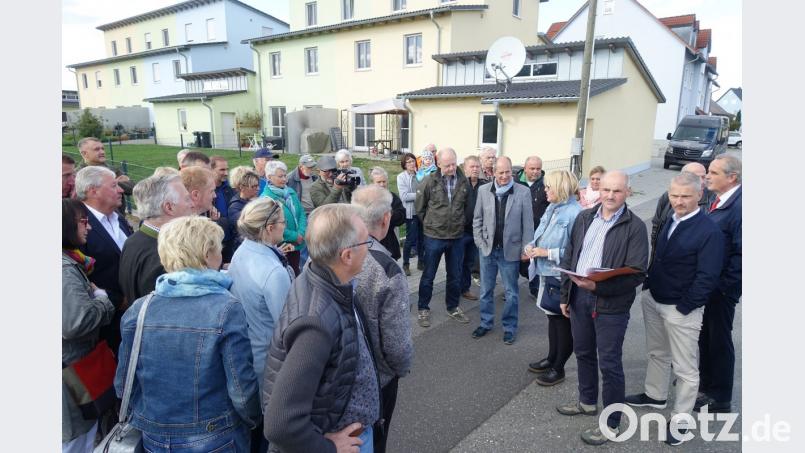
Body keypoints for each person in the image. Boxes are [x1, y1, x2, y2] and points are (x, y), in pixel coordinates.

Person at [115, 216, 260, 452]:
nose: (222, 255)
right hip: (214, 434)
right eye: (220, 248)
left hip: (155, 435)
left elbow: (124, 385)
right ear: (206, 253)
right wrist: (253, 421)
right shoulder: (226, 308)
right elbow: (241, 389)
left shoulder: (139, 309)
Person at [263, 204, 379, 453]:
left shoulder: (321, 276)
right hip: (342, 442)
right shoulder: (316, 324)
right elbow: (280, 425)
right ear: (347, 256)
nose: (368, 251)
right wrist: (327, 447)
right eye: (365, 243)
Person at [626, 171, 725, 446]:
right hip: (654, 299)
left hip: (681, 309)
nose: (678, 201)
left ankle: (681, 420)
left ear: (700, 196)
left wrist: (685, 307)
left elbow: (707, 277)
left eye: (685, 197)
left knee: (685, 369)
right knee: (657, 353)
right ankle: (655, 396)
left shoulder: (709, 231)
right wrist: (648, 288)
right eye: (674, 195)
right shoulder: (672, 218)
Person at [555, 170, 648, 446]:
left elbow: (637, 274)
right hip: (579, 299)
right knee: (583, 353)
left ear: (627, 192)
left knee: (609, 364)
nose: (610, 195)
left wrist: (600, 288)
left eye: (617, 191)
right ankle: (586, 402)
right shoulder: (585, 217)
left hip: (611, 304)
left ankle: (612, 423)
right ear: (598, 190)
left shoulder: (635, 227)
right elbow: (571, 256)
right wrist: (565, 294)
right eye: (606, 190)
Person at [228, 198, 295, 452]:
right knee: (270, 432)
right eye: (282, 223)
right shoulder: (272, 271)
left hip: (248, 353)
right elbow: (287, 325)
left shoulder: (243, 251)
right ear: (268, 228)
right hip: (269, 362)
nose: (284, 227)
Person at [351, 185, 414, 453]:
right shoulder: (387, 270)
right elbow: (397, 344)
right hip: (379, 378)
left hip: (340, 374)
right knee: (375, 441)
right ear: (386, 218)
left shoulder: (333, 253)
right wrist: (400, 368)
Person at [62, 198, 115, 453]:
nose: (89, 227)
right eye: (83, 222)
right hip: (71, 381)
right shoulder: (63, 268)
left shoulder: (72, 261)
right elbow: (75, 323)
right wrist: (103, 301)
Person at [524, 170, 583, 386]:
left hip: (560, 276)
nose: (545, 190)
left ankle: (559, 368)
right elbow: (541, 234)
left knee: (562, 322)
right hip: (546, 272)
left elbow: (575, 252)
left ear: (560, 188)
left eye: (548, 187)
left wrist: (545, 253)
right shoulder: (553, 207)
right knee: (552, 317)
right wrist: (532, 246)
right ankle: (551, 358)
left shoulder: (575, 213)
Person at [695, 154, 742, 414]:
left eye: (713, 173)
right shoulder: (718, 200)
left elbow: (742, 253)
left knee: (719, 340)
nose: (707, 177)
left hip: (721, 289)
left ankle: (720, 397)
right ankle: (706, 387)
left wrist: (723, 287)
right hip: (709, 286)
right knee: (706, 338)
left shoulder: (740, 206)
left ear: (731, 177)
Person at [471, 156, 534, 345]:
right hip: (488, 250)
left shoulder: (523, 192)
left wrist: (526, 248)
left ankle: (509, 327)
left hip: (511, 251)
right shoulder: (483, 190)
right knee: (485, 291)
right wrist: (480, 243)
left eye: (508, 172)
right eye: (501, 172)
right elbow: (477, 219)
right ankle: (486, 322)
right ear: (493, 172)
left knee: (512, 293)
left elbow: (528, 224)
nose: (505, 176)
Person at [76, 166, 133, 353]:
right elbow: (79, 278)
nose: (121, 190)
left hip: (131, 313)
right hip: (106, 325)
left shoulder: (119, 219)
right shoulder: (77, 225)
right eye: (114, 185)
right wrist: (117, 300)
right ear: (94, 191)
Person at [415, 147, 471, 327]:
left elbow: (467, 208)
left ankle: (453, 306)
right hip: (434, 236)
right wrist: (432, 224)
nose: (452, 168)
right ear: (438, 164)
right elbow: (420, 208)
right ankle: (423, 308)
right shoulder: (428, 182)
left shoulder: (464, 182)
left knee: (455, 275)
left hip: (456, 237)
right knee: (428, 275)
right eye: (447, 165)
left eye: (454, 164)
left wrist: (460, 224)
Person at [118, 174, 195, 305]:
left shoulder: (133, 240)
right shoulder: (165, 257)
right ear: (169, 207)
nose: (193, 204)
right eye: (187, 199)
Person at [650, 162, 714, 265]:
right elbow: (657, 226)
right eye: (696, 178)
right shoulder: (667, 197)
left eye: (703, 176)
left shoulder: (713, 201)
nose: (702, 182)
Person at [261, 160, 307, 275]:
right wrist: (295, 236)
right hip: (282, 246)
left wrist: (301, 232)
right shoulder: (266, 199)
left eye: (285, 175)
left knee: (295, 271)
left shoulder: (290, 192)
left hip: (296, 245)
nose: (285, 179)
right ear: (269, 177)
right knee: (285, 275)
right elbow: (271, 225)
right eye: (280, 176)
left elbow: (301, 212)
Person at [516, 155, 550, 298]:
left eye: (538, 169)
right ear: (525, 168)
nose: (536, 172)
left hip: (537, 231)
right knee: (515, 261)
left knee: (533, 259)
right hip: (516, 230)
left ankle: (535, 288)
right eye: (532, 168)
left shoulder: (546, 184)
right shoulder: (515, 182)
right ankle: (511, 288)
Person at [77, 137, 134, 214]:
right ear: (84, 153)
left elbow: (132, 188)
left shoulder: (113, 169)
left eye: (102, 148)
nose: (102, 152)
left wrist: (107, 184)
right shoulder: (78, 175)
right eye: (97, 149)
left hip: (119, 218)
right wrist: (115, 182)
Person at [459, 155, 486, 300]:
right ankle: (454, 290)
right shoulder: (460, 184)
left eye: (477, 166)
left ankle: (465, 288)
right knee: (457, 262)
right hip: (460, 231)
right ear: (465, 168)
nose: (475, 169)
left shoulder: (485, 186)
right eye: (472, 166)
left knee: (469, 262)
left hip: (476, 231)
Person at [369, 167, 406, 261]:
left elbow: (402, 216)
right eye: (378, 182)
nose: (382, 184)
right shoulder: (366, 197)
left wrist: (389, 214)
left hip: (389, 242)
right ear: (372, 183)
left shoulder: (392, 197)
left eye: (384, 181)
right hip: (370, 243)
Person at [397, 152, 422, 275]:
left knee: (422, 238)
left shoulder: (420, 174)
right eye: (408, 162)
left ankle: (421, 262)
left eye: (413, 161)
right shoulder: (401, 177)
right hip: (411, 213)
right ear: (404, 164)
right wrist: (420, 194)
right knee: (410, 239)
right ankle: (406, 264)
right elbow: (404, 196)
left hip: (422, 212)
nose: (412, 163)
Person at [228, 166, 261, 253]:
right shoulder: (234, 207)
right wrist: (255, 206)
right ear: (242, 187)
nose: (258, 189)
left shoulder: (255, 200)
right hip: (245, 250)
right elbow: (252, 225)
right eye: (254, 186)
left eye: (258, 185)